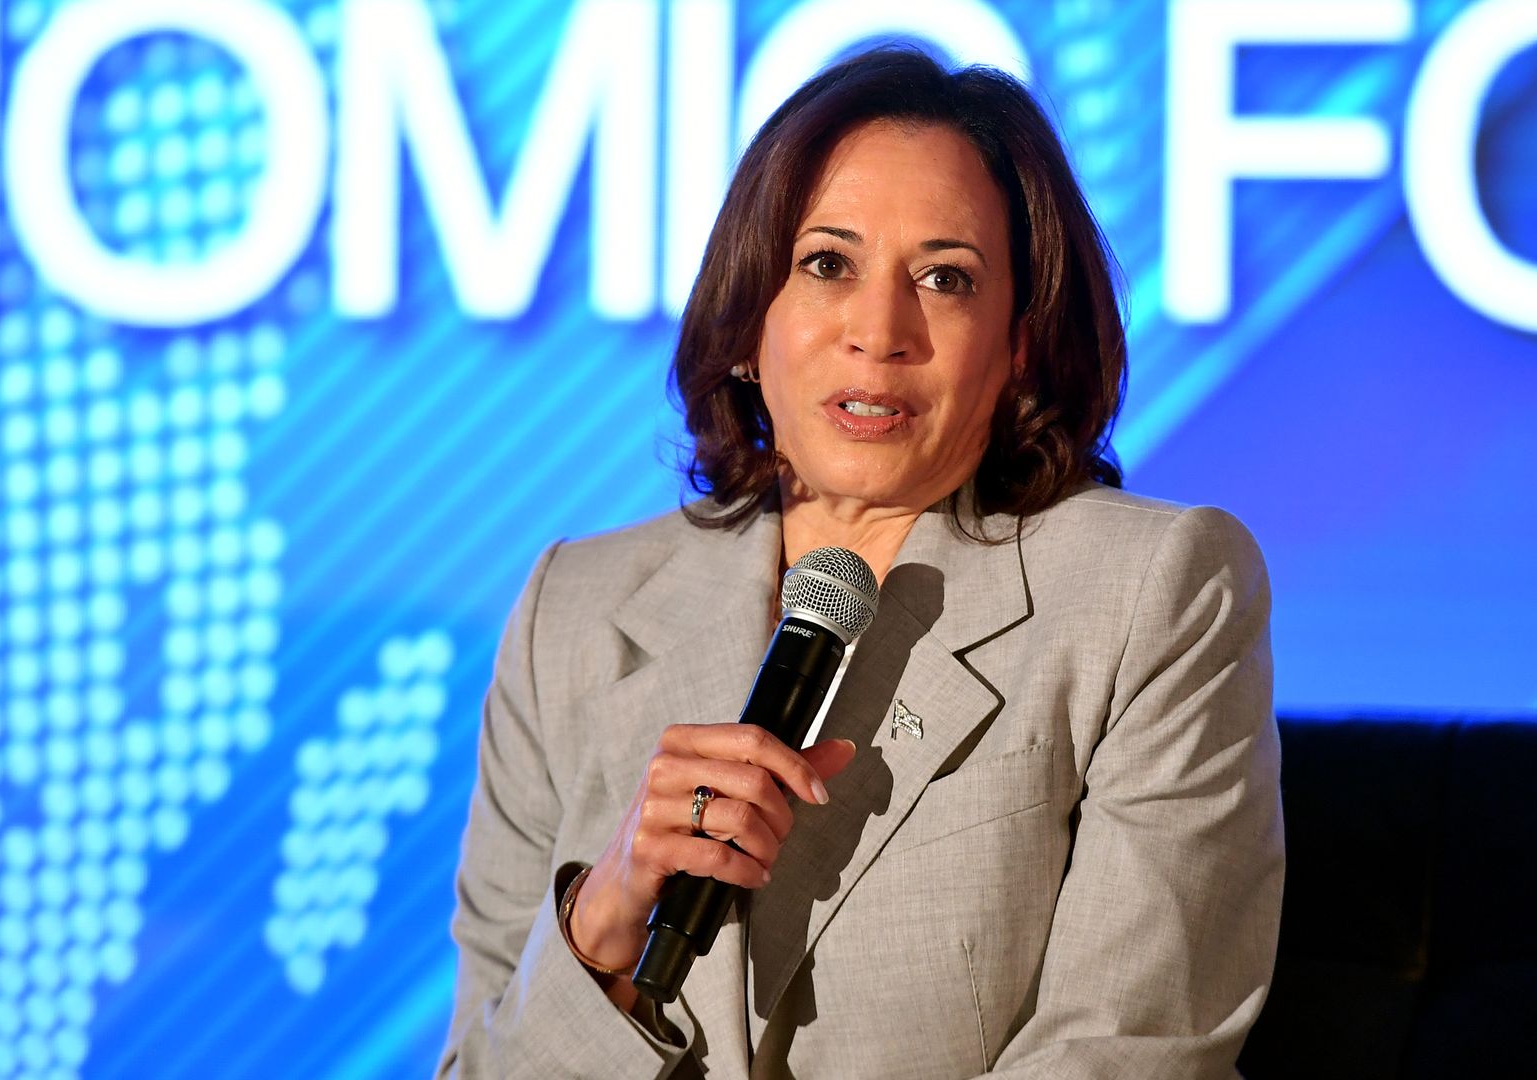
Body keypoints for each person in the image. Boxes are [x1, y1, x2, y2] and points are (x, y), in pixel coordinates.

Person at [436, 45, 1282, 1080]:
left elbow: (1131, 1052)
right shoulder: (572, 610)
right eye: (827, 264)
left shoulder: (1153, 591)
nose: (879, 334)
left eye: (946, 278)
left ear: (1019, 343)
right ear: (751, 317)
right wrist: (602, 925)